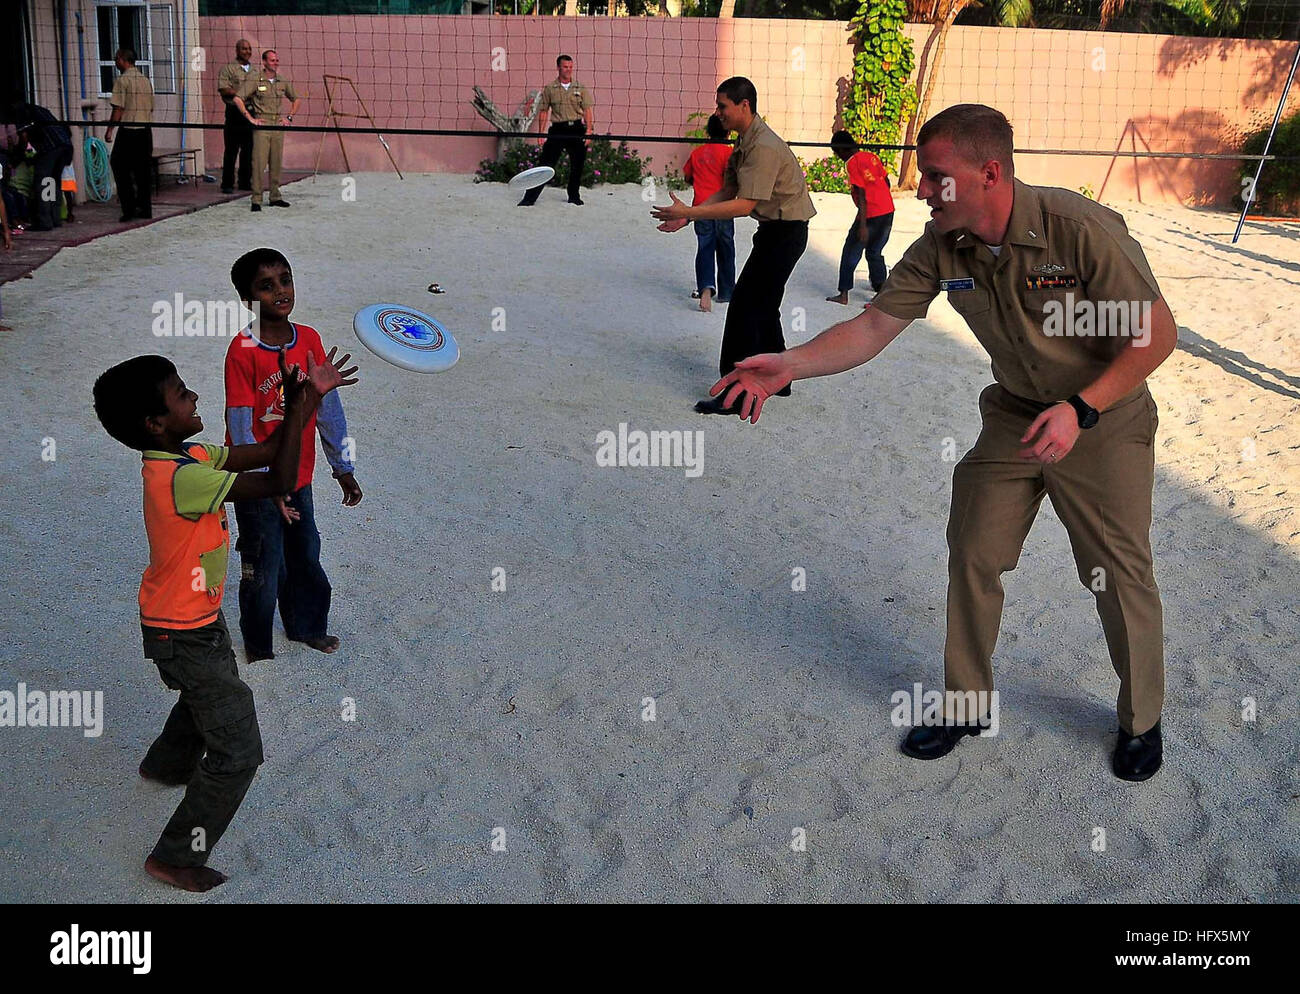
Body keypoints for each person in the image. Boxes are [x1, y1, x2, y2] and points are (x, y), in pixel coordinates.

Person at [711, 104, 1176, 782]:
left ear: (989, 172)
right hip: (1017, 416)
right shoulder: (941, 246)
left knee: (1118, 574)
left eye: (935, 176)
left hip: (1104, 419)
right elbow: (872, 328)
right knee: (973, 551)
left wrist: (1082, 408)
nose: (921, 190)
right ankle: (964, 703)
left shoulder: (1078, 230)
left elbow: (1155, 336)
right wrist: (790, 363)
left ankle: (1141, 721)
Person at [92, 346, 357, 892]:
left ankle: (166, 766)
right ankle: (173, 857)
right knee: (239, 750)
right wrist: (306, 400)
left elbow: (262, 451)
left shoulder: (187, 456)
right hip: (181, 631)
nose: (193, 397)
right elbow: (279, 473)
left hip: (188, 618)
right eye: (182, 393)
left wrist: (303, 402)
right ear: (155, 422)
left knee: (205, 691)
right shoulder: (182, 479)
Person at [224, 248, 362, 663]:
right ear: (247, 299)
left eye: (285, 280)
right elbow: (241, 425)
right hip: (259, 481)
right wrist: (268, 485)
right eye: (266, 286)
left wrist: (342, 467)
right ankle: (258, 645)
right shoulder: (242, 351)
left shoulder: (311, 341)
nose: (281, 291)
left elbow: (328, 409)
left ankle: (306, 627)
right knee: (263, 566)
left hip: (298, 478)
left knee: (306, 553)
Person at [652, 77, 815, 415]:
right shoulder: (745, 141)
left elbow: (743, 204)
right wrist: (688, 218)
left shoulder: (763, 146)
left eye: (722, 106)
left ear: (744, 106)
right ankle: (780, 379)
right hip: (777, 231)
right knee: (764, 306)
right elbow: (728, 191)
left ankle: (735, 392)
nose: (718, 113)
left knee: (744, 307)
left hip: (785, 234)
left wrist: (692, 211)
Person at [826, 130, 894, 305]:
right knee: (874, 251)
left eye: (836, 152)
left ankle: (843, 294)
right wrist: (882, 199)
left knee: (851, 250)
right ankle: (880, 290)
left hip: (870, 214)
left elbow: (861, 194)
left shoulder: (853, 163)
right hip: (887, 210)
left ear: (841, 150)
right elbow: (887, 181)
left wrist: (862, 225)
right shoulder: (870, 156)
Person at [518, 55, 595, 207]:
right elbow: (544, 111)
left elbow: (587, 110)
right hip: (558, 129)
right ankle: (529, 198)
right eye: (565, 67)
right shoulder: (550, 88)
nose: (568, 70)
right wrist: (541, 133)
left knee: (577, 165)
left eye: (571, 67)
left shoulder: (580, 87)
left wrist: (589, 131)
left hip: (577, 129)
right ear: (559, 68)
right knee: (545, 164)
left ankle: (574, 196)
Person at [233, 50, 300, 212]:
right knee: (259, 163)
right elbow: (237, 98)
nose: (275, 63)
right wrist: (250, 118)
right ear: (264, 62)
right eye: (272, 60)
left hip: (277, 125)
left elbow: (296, 99)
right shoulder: (255, 79)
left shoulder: (282, 81)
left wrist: (289, 117)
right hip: (262, 125)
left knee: (276, 163)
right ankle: (256, 199)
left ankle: (275, 196)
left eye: (277, 60)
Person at [681, 113, 735, 313]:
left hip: (701, 208)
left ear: (708, 132)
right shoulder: (729, 153)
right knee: (726, 248)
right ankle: (727, 291)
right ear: (728, 132)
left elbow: (688, 177)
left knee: (705, 246)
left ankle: (705, 289)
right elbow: (732, 180)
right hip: (723, 207)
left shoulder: (697, 153)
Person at [105, 48, 155, 222]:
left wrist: (110, 129)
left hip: (129, 131)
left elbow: (118, 108)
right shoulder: (145, 80)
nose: (115, 62)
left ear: (121, 59)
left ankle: (129, 209)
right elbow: (151, 107)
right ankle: (145, 208)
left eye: (116, 59)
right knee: (143, 171)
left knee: (119, 166)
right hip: (146, 131)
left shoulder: (122, 80)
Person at [7, 101, 73, 231]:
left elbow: (24, 138)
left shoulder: (21, 112)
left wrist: (17, 158)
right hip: (64, 145)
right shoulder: (41, 110)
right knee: (53, 182)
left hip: (50, 147)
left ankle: (45, 221)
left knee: (43, 182)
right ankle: (55, 219)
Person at [217, 38, 256, 194]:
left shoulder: (255, 71)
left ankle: (245, 182)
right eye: (244, 49)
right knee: (231, 150)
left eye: (249, 49)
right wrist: (242, 93)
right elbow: (223, 89)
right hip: (234, 113)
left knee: (248, 150)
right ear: (237, 50)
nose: (247, 51)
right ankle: (227, 183)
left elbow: (261, 88)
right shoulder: (228, 69)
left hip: (251, 112)